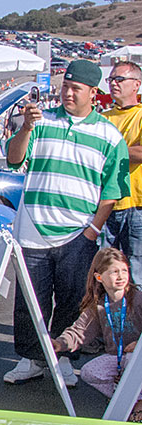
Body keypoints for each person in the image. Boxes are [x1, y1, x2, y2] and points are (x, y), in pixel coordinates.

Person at [3, 60, 130, 385]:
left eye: (76, 89)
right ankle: (32, 358)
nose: (68, 93)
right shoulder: (41, 121)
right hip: (33, 229)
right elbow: (15, 158)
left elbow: (112, 190)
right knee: (31, 299)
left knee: (73, 300)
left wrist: (93, 230)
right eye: (65, 87)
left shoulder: (109, 135)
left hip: (78, 234)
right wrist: (27, 128)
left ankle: (60, 357)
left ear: (93, 93)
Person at [51, 248, 142, 422]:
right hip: (118, 357)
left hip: (138, 359)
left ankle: (136, 406)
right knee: (89, 372)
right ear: (99, 277)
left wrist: (138, 344)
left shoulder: (137, 299)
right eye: (114, 272)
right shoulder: (99, 305)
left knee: (131, 362)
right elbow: (80, 330)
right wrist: (60, 343)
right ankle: (125, 399)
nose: (121, 276)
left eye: (124, 271)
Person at [103, 61, 142, 285]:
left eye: (119, 79)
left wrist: (113, 152)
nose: (114, 84)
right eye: (111, 80)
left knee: (135, 270)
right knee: (103, 270)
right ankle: (106, 319)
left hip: (136, 204)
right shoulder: (103, 118)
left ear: (136, 84)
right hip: (105, 203)